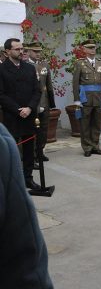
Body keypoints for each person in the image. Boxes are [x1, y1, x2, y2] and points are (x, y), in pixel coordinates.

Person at [0, 122, 55, 289]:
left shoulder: (2, 150)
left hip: (28, 113)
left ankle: (28, 174)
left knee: (31, 146)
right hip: (14, 112)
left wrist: (30, 107)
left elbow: (25, 280)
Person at [0, 38, 41, 190]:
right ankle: (13, 181)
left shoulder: (29, 68)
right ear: (7, 52)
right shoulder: (2, 69)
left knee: (30, 149)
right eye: (17, 49)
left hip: (29, 114)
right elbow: (1, 95)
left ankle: (28, 178)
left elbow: (37, 91)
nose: (21, 51)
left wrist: (29, 108)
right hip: (13, 116)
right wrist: (18, 109)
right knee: (12, 150)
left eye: (22, 48)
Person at [72, 39, 101, 157]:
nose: (93, 50)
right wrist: (77, 99)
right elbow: (75, 82)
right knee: (85, 123)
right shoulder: (79, 63)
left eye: (94, 48)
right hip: (85, 98)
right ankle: (87, 147)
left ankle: (95, 146)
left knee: (97, 123)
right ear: (84, 50)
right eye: (90, 48)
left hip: (98, 97)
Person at [26, 42, 55, 166]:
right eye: (35, 51)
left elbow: (49, 86)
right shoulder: (25, 66)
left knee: (43, 130)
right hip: (32, 103)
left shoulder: (44, 65)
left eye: (39, 52)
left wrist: (52, 103)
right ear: (29, 52)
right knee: (32, 130)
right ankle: (31, 155)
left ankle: (40, 152)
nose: (37, 54)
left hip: (45, 102)